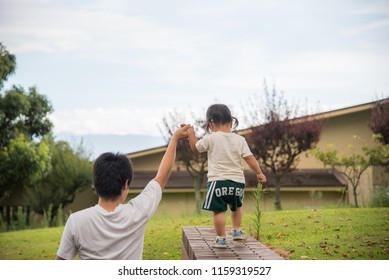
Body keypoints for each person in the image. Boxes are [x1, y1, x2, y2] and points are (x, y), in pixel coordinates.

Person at [56, 124, 190, 260]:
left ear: (95, 183)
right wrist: (174, 139)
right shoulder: (138, 212)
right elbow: (162, 175)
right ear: (125, 184)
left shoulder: (76, 221)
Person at [187, 104, 266, 248]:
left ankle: (221, 238)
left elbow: (195, 148)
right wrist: (259, 172)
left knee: (219, 211)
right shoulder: (240, 140)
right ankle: (236, 231)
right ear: (231, 120)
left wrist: (191, 133)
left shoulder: (211, 138)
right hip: (237, 182)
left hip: (218, 182)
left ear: (210, 123)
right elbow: (249, 158)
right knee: (236, 207)